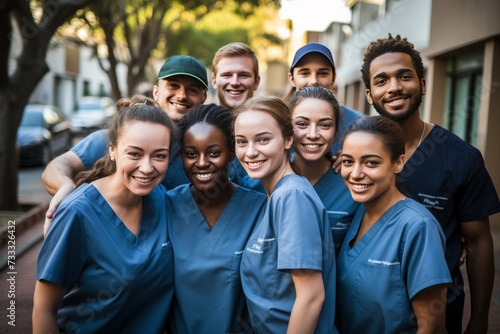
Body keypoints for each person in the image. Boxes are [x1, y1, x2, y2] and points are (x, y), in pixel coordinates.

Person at [361, 33, 500, 333]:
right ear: (370, 95)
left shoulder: (461, 158)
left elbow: (478, 242)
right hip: (363, 311)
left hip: (435, 313)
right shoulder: (354, 154)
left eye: (404, 76)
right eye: (381, 80)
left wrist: (478, 321)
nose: (395, 87)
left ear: (422, 84)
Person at [33, 102, 175, 333]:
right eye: (134, 154)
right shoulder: (77, 213)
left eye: (159, 155)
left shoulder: (161, 198)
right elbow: (44, 310)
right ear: (112, 150)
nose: (147, 168)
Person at [42, 56, 208, 233]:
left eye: (192, 90)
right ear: (156, 92)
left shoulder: (202, 157)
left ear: (203, 97)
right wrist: (65, 187)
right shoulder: (117, 140)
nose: (182, 95)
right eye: (173, 85)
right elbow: (57, 167)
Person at [337, 115, 451, 333]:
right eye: (348, 161)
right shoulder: (359, 212)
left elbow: (432, 327)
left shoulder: (418, 227)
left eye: (371, 162)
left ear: (398, 162)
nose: (356, 174)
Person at [233, 96, 337, 333]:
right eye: (241, 141)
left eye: (263, 140)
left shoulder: (291, 197)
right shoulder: (274, 194)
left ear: (288, 139)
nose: (250, 152)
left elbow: (311, 296)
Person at [165, 104, 267, 333]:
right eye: (191, 154)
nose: (201, 163)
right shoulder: (167, 206)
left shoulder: (259, 209)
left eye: (213, 153)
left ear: (232, 152)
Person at [289, 86, 361, 254]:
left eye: (325, 125)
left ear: (336, 131)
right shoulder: (266, 181)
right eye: (301, 124)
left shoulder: (353, 183)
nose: (313, 134)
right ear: (288, 128)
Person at [285, 43, 363, 153]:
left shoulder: (357, 122)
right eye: (305, 73)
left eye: (322, 73)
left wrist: (352, 158)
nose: (313, 81)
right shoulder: (276, 118)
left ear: (333, 78)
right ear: (291, 79)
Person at [211, 42, 261, 110]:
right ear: (214, 82)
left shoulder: (271, 120)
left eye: (243, 75)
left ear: (256, 82)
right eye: (227, 75)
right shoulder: (199, 119)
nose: (234, 82)